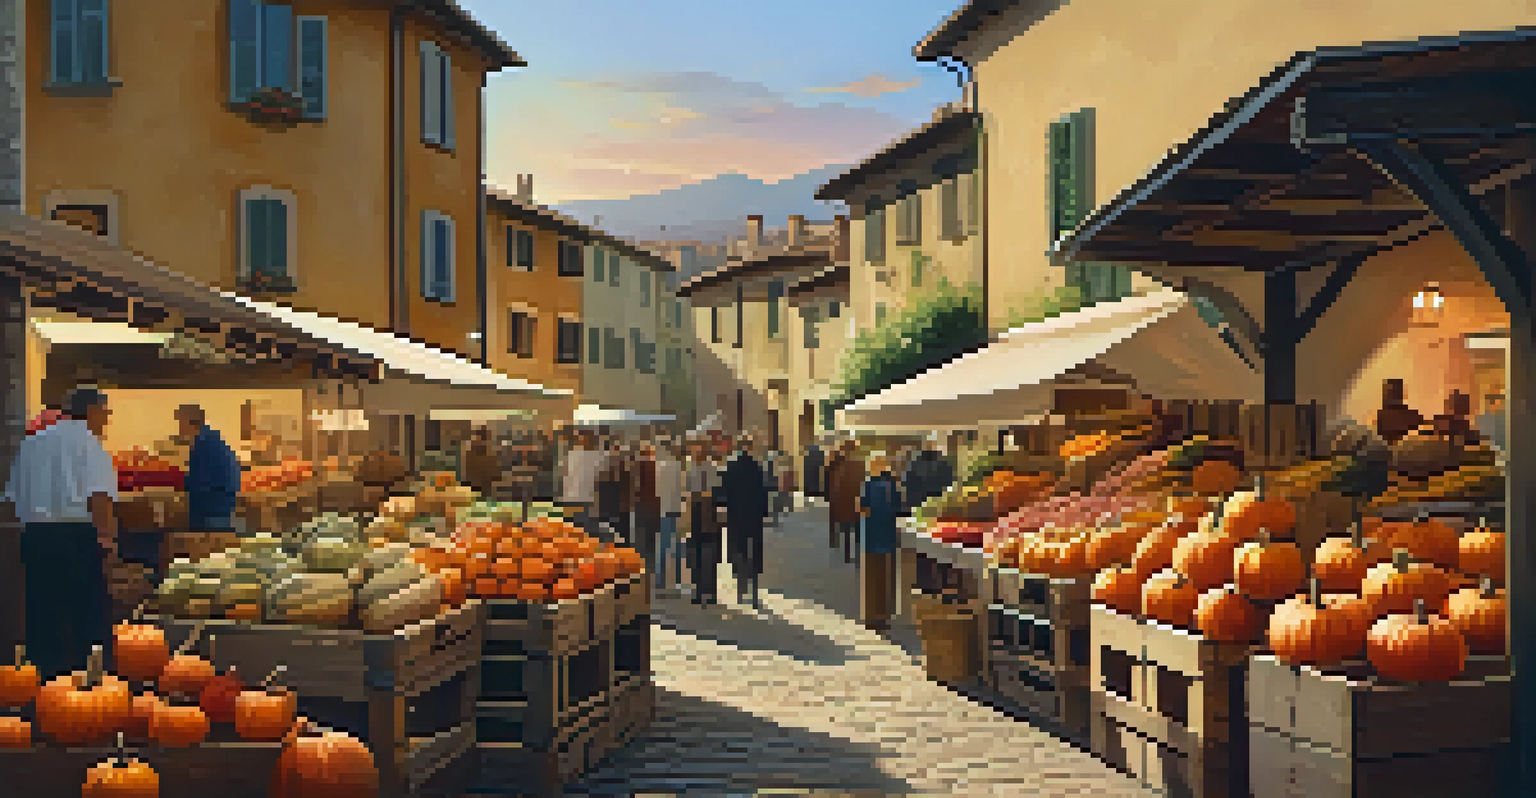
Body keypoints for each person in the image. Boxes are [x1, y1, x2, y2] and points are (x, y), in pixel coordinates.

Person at [2, 387, 118, 679]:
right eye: (105, 413)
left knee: (42, 612)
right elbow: (99, 496)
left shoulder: (32, 444)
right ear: (92, 410)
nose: (106, 420)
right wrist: (106, 539)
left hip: (36, 536)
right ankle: (86, 679)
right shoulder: (90, 444)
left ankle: (43, 679)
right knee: (86, 614)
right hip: (76, 536)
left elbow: (12, 499)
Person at [176, 404, 242, 533]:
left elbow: (199, 481)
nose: (180, 428)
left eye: (181, 423)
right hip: (220, 508)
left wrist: (180, 484)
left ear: (190, 422)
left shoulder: (203, 444)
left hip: (212, 511)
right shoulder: (211, 439)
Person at [720, 436, 769, 609]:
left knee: (738, 550)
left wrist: (726, 510)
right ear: (751, 447)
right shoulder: (757, 467)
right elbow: (763, 492)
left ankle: (741, 588)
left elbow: (724, 491)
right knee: (754, 551)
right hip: (754, 516)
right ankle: (753, 590)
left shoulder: (731, 467)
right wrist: (764, 513)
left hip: (736, 516)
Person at [860, 453, 903, 633]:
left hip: (871, 539)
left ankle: (871, 617)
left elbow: (862, 508)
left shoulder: (868, 486)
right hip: (888, 538)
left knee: (871, 579)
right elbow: (898, 508)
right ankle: (884, 616)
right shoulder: (892, 486)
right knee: (886, 579)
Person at [686, 445, 723, 605]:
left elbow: (691, 491)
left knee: (706, 554)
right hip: (703, 514)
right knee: (702, 555)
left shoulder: (705, 468)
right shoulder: (698, 468)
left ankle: (705, 591)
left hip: (704, 513)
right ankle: (704, 591)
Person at [560, 431, 603, 540]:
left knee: (572, 533)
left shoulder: (572, 455)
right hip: (584, 498)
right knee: (586, 534)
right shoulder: (597, 457)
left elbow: (565, 476)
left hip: (575, 498)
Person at [829, 439, 865, 565]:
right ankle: (857, 556)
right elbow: (863, 483)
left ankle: (847, 555)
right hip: (855, 500)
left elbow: (837, 485)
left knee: (847, 530)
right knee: (857, 530)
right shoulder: (860, 464)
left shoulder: (842, 466)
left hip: (845, 502)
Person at [654, 440, 684, 591]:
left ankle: (660, 579)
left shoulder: (659, 467)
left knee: (662, 546)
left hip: (663, 509)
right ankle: (677, 579)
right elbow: (681, 490)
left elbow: (657, 491)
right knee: (677, 546)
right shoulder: (678, 468)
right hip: (676, 509)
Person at [903, 433, 956, 515]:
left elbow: (908, 485)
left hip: (923, 505)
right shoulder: (943, 464)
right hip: (937, 505)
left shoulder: (915, 464)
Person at [634, 443, 662, 584]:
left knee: (641, 542)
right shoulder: (656, 466)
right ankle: (651, 572)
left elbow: (635, 487)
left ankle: (642, 572)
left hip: (642, 508)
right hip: (654, 509)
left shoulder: (638, 467)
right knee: (651, 543)